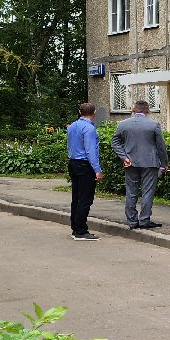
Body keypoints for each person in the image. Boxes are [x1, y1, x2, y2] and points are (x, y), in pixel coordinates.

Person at [111, 99, 168, 229]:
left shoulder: (123, 124)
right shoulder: (154, 124)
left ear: (133, 109)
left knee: (131, 192)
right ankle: (144, 220)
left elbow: (115, 142)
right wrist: (164, 163)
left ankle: (132, 221)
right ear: (148, 111)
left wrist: (124, 157)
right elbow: (161, 147)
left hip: (130, 162)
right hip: (150, 162)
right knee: (148, 192)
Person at [65, 101, 104, 241]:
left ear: (80, 112)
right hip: (84, 165)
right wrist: (97, 170)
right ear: (94, 114)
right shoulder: (89, 129)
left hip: (73, 163)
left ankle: (75, 227)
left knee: (76, 197)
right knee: (85, 198)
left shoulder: (72, 126)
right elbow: (90, 151)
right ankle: (81, 231)